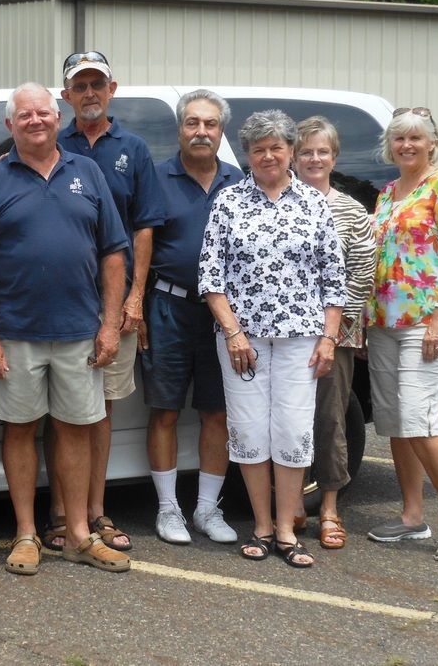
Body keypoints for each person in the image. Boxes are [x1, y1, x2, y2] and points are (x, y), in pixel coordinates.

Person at [0, 82, 131, 575]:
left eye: (43, 113)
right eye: (25, 115)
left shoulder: (89, 172)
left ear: (58, 118)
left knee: (77, 430)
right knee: (19, 432)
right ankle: (26, 534)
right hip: (15, 333)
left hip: (80, 330)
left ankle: (78, 535)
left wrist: (109, 325)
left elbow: (113, 253)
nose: (35, 121)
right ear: (9, 125)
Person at [198, 109, 345, 568]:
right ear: (247, 154)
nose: (268, 155)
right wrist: (233, 332)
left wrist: (330, 337)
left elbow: (333, 275)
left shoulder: (313, 203)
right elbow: (210, 275)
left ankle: (287, 529)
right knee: (247, 429)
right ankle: (261, 525)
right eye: (258, 148)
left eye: (276, 147)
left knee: (293, 429)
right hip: (243, 340)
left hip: (302, 338)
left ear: (290, 152)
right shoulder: (228, 202)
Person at [40, 51, 167, 553]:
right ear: (65, 95)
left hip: (114, 302)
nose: (89, 93)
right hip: (61, 300)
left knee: (102, 411)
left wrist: (134, 298)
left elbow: (145, 226)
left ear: (112, 88)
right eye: (79, 85)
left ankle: (95, 510)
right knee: (60, 412)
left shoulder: (132, 149)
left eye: (97, 83)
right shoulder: (49, 140)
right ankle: (59, 512)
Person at [364, 107, 438, 562]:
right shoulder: (389, 192)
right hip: (386, 322)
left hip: (428, 323)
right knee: (394, 421)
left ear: (432, 142)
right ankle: (412, 515)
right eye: (398, 139)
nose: (406, 145)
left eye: (415, 138)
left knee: (420, 418)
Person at [143, 90, 243, 546]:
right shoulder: (155, 177)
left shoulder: (239, 181)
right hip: (167, 308)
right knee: (163, 410)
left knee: (216, 413)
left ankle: (206, 509)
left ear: (221, 131)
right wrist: (135, 309)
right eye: (192, 123)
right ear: (179, 128)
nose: (201, 131)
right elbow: (137, 247)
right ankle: (168, 509)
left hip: (224, 316)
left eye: (210, 124)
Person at [293, 116, 376, 550]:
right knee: (286, 419)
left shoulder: (349, 209)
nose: (314, 158)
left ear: (334, 156)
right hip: (285, 334)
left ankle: (327, 506)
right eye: (306, 150)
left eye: (322, 151)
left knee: (329, 419)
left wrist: (341, 327)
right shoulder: (280, 201)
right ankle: (289, 506)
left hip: (334, 334)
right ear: (293, 155)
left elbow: (363, 270)